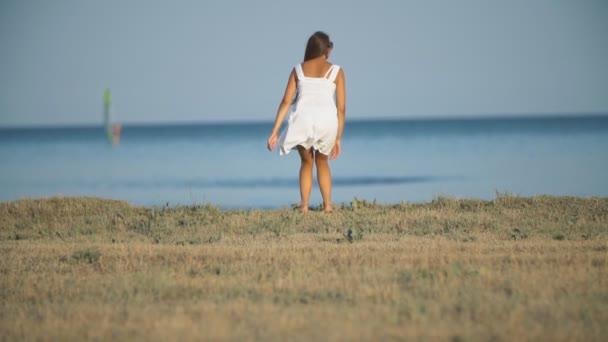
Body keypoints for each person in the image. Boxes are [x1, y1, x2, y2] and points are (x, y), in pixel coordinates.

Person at [267, 31, 346, 213]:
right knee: (323, 161)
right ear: (326, 50)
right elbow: (341, 108)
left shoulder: (298, 69)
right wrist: (338, 138)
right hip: (327, 121)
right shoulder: (337, 71)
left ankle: (304, 207)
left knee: (306, 163)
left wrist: (275, 131)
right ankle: (327, 206)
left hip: (303, 119)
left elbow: (286, 101)